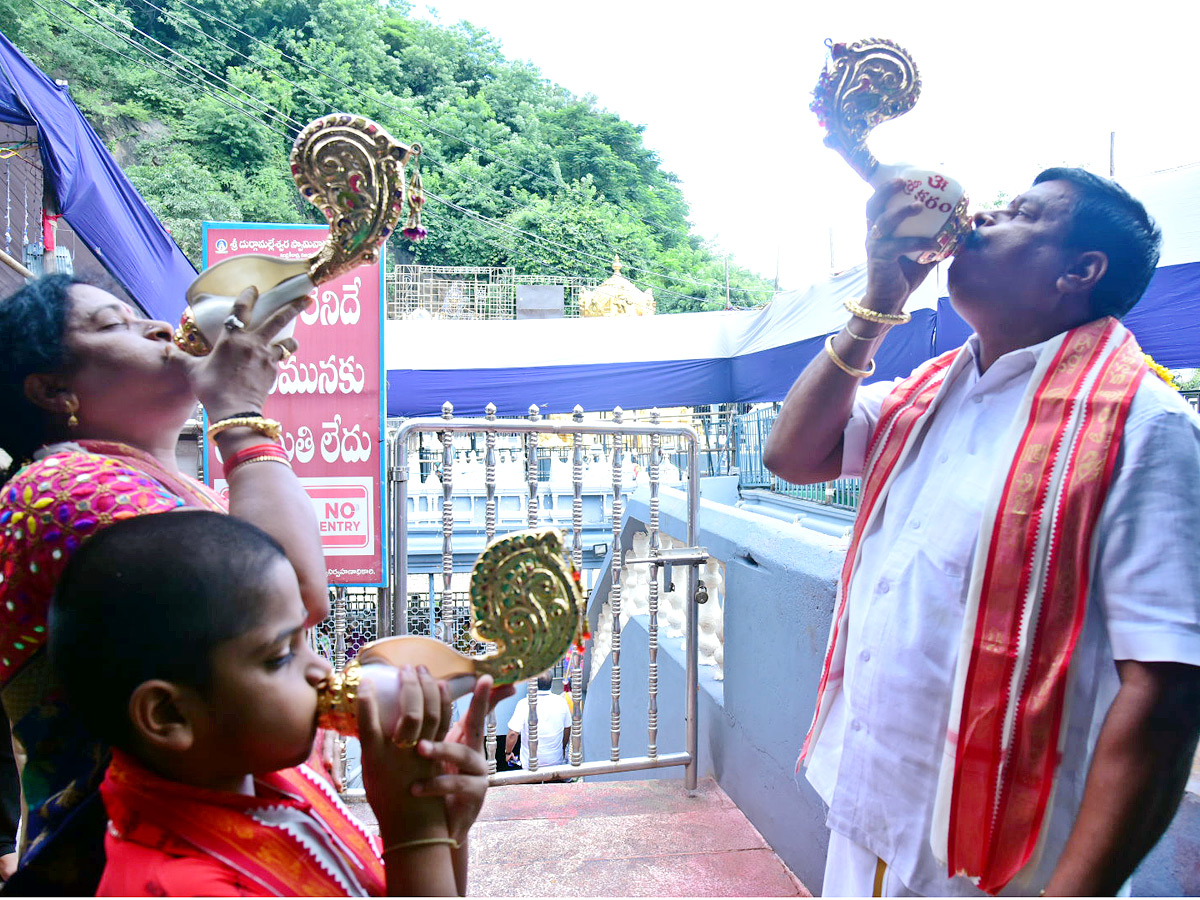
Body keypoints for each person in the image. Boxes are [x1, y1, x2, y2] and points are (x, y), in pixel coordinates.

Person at [763, 169, 1200, 896]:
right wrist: (880, 301)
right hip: (868, 806)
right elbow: (792, 455)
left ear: (1078, 272)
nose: (984, 218)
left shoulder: (1143, 426)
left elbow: (1165, 691)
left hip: (1005, 861)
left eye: (1020, 214)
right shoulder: (930, 390)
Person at [0, 274, 329, 891]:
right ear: (52, 390)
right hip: (144, 856)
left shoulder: (164, 486)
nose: (156, 327)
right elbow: (295, 592)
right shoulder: (59, 490)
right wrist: (239, 413)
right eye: (112, 325)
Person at [49, 509, 494, 896]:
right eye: (281, 655)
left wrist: (443, 829)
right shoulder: (178, 885)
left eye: (305, 639)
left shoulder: (276, 772)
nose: (320, 670)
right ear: (169, 715)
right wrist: (416, 833)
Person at [505, 673, 572, 771]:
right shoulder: (561, 702)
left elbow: (512, 734)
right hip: (555, 762)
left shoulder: (524, 704)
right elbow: (567, 729)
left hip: (530, 764)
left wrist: (508, 753)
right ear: (551, 682)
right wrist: (561, 748)